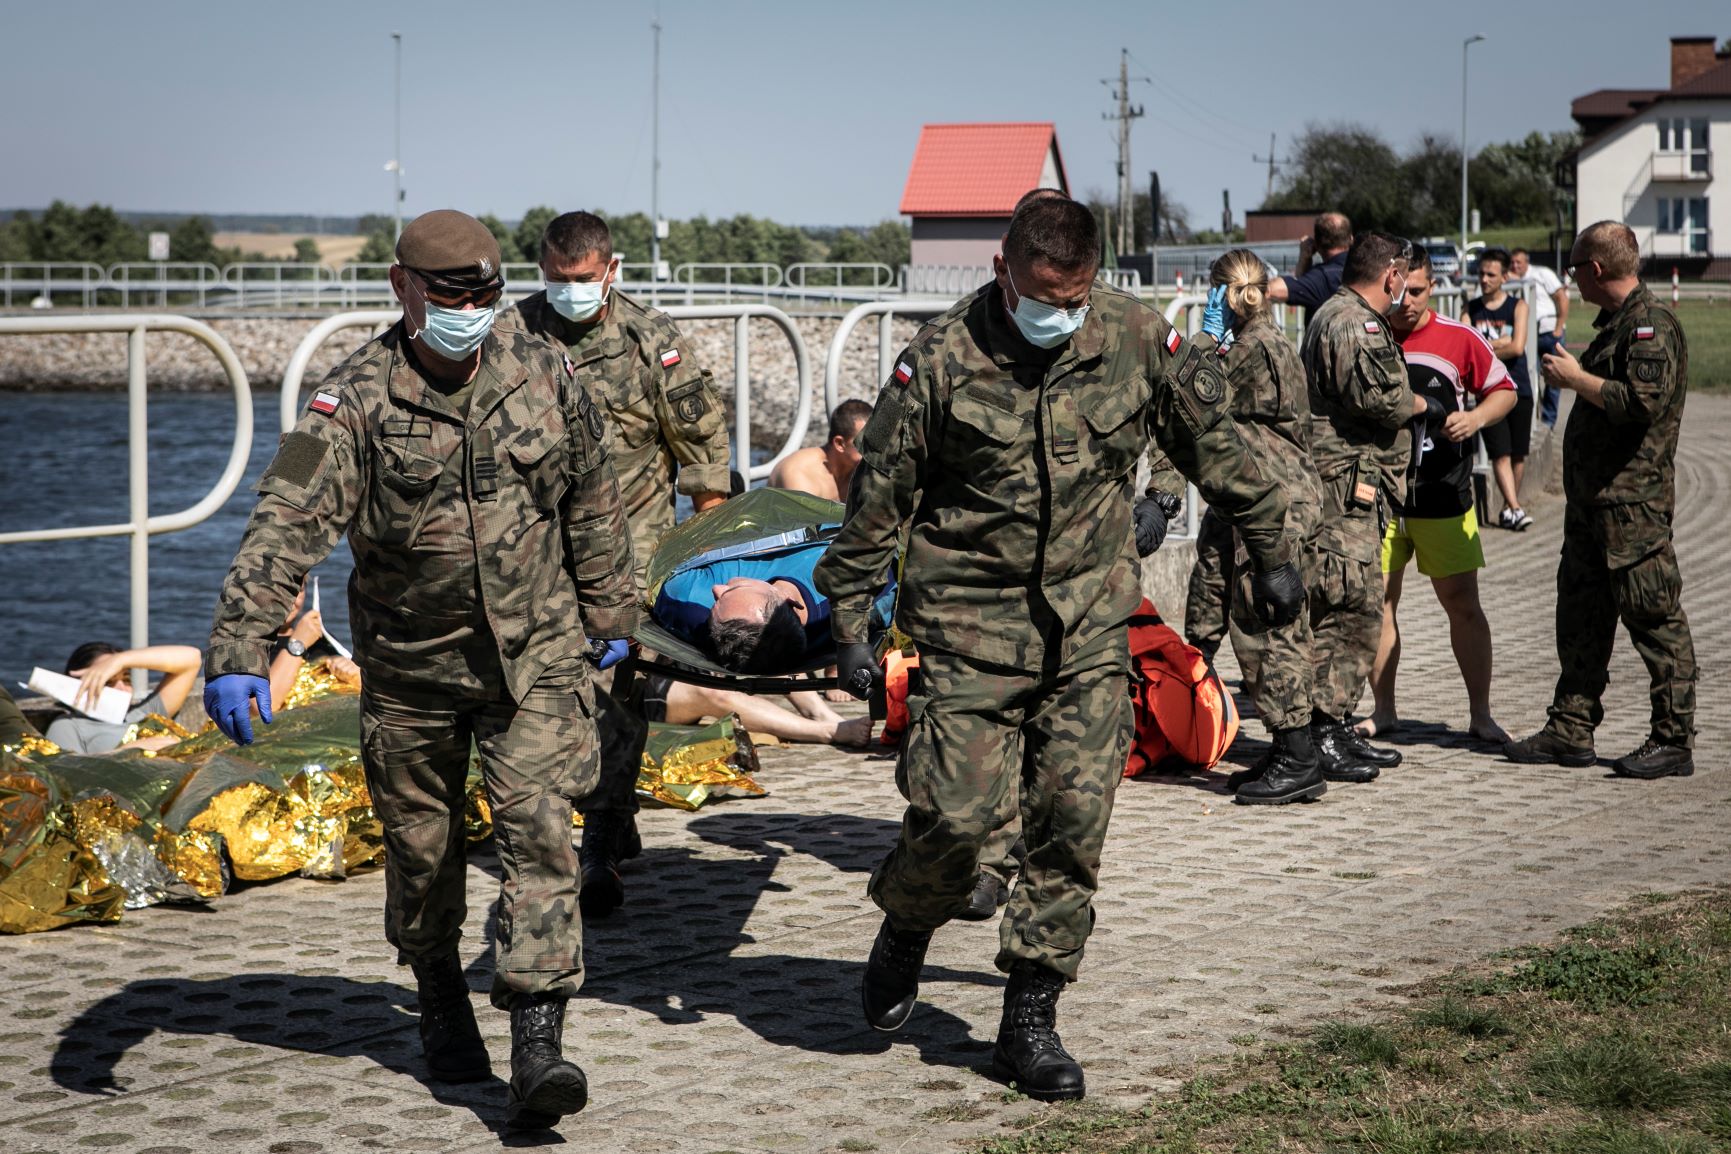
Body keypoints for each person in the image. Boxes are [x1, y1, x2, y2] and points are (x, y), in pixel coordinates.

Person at [815, 197, 1301, 1100]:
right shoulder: (940, 361)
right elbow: (877, 500)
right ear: (1002, 269)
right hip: (967, 630)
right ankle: (905, 928)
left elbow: (1217, 448)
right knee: (953, 822)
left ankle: (1028, 1022)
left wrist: (1273, 548)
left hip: (1086, 629)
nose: (1060, 315)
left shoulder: (1134, 337)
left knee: (1071, 828)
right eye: (1044, 298)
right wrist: (850, 624)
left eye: (1075, 298)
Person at [203, 209, 639, 1130]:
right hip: (409, 668)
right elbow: (282, 522)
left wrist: (611, 609)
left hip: (534, 660)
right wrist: (239, 647)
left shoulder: (544, 367)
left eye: (484, 295)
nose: (471, 312)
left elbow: (593, 494)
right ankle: (440, 995)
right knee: (424, 853)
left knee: (542, 840)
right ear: (403, 289)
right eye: (450, 296)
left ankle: (538, 1043)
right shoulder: (345, 400)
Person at [499, 209, 731, 919]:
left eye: (581, 279)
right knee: (534, 690)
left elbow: (702, 453)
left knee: (614, 697)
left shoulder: (650, 340)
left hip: (630, 547)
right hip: (538, 545)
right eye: (555, 279)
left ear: (611, 270)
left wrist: (702, 559)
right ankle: (577, 820)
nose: (568, 291)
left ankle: (598, 834)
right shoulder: (513, 334)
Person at [1505, 221, 1695, 779]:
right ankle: (1571, 727)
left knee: (1655, 620)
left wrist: (1574, 378)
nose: (1570, 278)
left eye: (1574, 268)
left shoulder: (1650, 327)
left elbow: (1641, 403)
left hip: (1631, 506)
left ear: (1596, 270)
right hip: (1593, 506)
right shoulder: (1616, 323)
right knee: (1581, 616)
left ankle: (1673, 739)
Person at [1184, 251, 1329, 805]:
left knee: (1271, 628)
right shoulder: (1265, 341)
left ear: (1223, 295)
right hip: (1262, 499)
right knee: (1258, 615)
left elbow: (1190, 399)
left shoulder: (1253, 349)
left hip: (1270, 508)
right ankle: (1287, 746)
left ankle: (1298, 756)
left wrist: (1204, 344)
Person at [1358, 246, 1516, 744]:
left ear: (1433, 287)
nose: (1407, 302)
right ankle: (1384, 711)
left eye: (1419, 292)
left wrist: (1476, 418)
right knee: (1378, 604)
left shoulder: (1458, 337)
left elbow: (1505, 390)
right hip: (1380, 498)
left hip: (1443, 496)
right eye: (1401, 290)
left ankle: (1481, 714)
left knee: (1462, 604)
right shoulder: (1367, 333)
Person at [1300, 232, 1432, 781]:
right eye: (1405, 277)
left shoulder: (1341, 314)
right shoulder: (1355, 322)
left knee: (1354, 606)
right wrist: (1424, 402)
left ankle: (1333, 726)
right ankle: (1320, 730)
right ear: (1391, 276)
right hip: (1341, 488)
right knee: (1351, 608)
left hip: (1353, 483)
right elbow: (1381, 398)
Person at [1467, 248, 1535, 531]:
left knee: (1518, 453)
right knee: (1500, 453)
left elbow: (1518, 346)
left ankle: (1510, 508)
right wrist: (1499, 344)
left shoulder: (1518, 306)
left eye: (1491, 274)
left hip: (1519, 387)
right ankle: (1517, 508)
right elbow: (1467, 348)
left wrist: (1484, 345)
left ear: (1505, 277)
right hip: (1488, 391)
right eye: (1481, 273)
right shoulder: (1470, 308)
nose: (1484, 279)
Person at [43, 641, 202, 754]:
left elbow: (192, 658)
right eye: (108, 682)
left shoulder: (144, 712)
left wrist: (121, 660)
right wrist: (130, 752)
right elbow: (66, 777)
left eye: (126, 679)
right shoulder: (69, 726)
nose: (121, 689)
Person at [267, 584, 359, 710]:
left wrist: (357, 676)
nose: (289, 597)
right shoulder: (242, 645)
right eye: (277, 588)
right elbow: (263, 708)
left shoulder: (321, 639)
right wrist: (298, 643)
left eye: (298, 589)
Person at [1508, 248, 1570, 426]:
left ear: (1526, 262)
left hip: (1549, 331)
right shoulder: (1511, 280)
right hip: (1527, 335)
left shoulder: (1541, 274)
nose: (1515, 265)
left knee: (1554, 378)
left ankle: (1548, 422)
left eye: (1519, 262)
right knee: (1529, 377)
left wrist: (1559, 327)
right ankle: (1532, 419)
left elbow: (1562, 298)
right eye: (1512, 262)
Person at [768, 399, 873, 502]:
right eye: (865, 443)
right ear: (840, 444)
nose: (875, 451)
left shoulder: (861, 469)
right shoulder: (801, 475)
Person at [1265, 212, 1353, 318]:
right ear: (1351, 239)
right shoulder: (1368, 268)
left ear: (1316, 244)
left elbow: (1271, 290)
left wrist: (1304, 256)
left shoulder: (1321, 278)